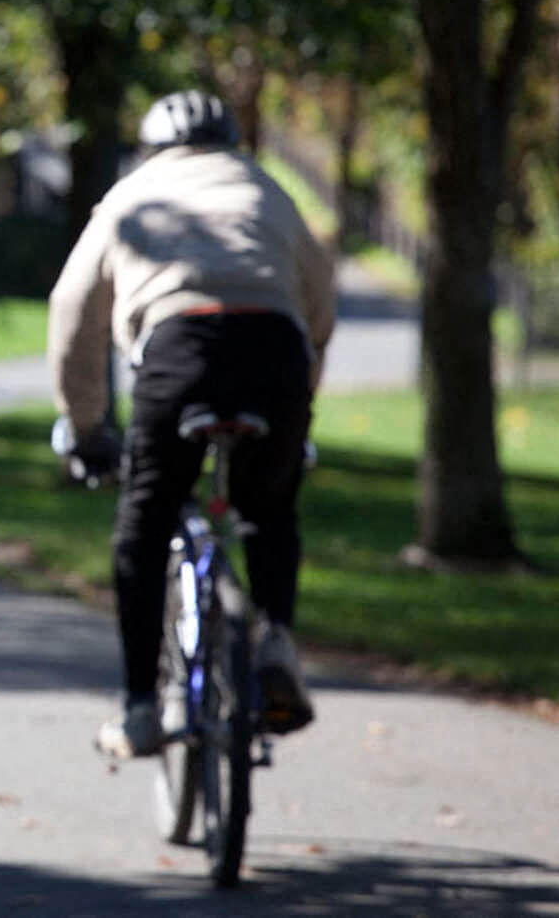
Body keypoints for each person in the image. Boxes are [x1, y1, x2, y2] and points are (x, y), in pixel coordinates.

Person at [46, 90, 337, 759]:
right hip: (275, 351)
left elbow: (71, 309)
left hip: (179, 351)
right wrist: (300, 410)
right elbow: (320, 304)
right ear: (231, 142)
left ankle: (142, 706)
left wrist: (86, 426)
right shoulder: (268, 190)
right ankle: (277, 640)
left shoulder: (133, 193)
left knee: (146, 523)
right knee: (268, 506)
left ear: (151, 147)